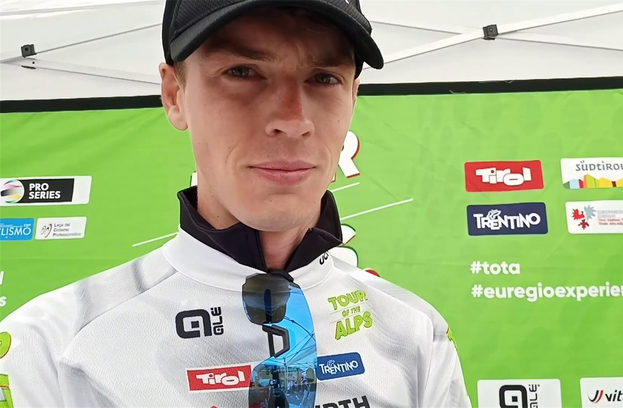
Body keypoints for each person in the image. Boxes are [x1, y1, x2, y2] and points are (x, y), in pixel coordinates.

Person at [0, 0, 472, 407]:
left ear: (352, 95)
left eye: (324, 77)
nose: (293, 120)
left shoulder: (414, 331)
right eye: (242, 72)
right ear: (174, 94)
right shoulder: (51, 346)